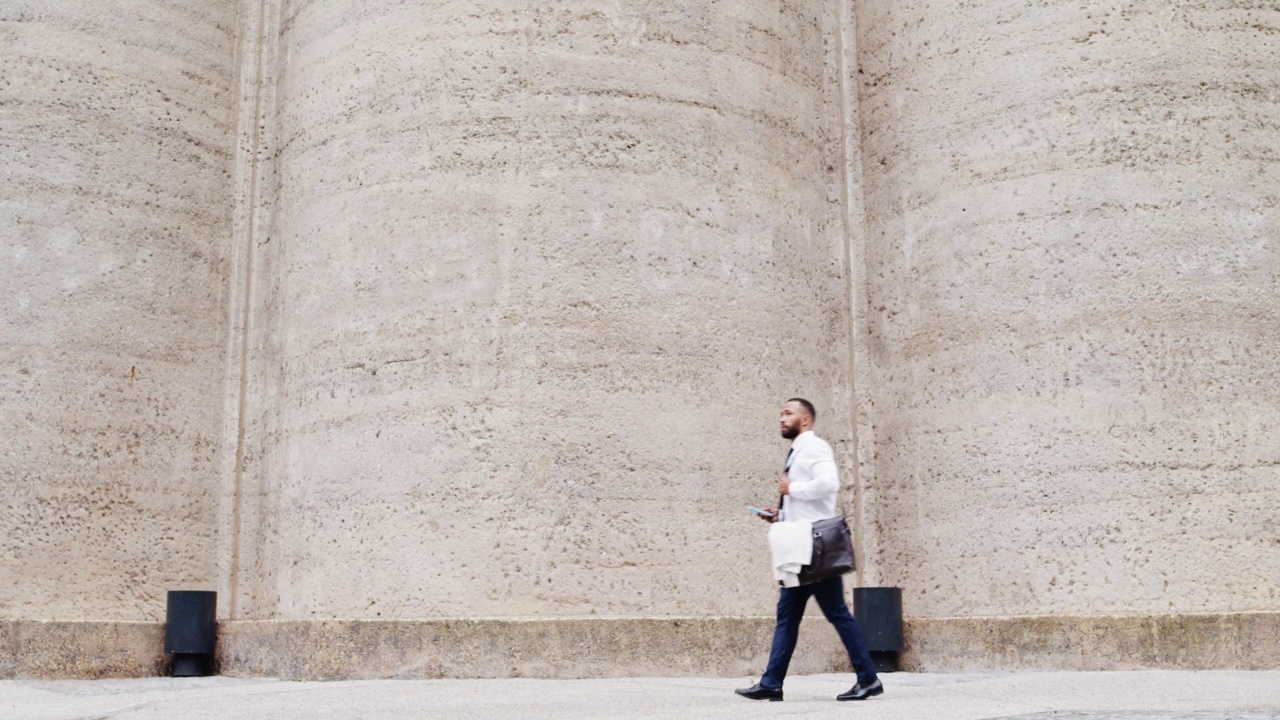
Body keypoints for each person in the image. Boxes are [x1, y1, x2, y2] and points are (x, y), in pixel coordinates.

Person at [734, 398, 883, 702]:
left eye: (788, 413)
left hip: (813, 549)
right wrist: (779, 514)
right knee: (793, 616)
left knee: (833, 614)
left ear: (805, 420)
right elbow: (807, 505)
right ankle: (772, 682)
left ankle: (866, 679)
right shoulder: (798, 450)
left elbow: (830, 484)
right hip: (800, 548)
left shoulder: (814, 447)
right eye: (781, 413)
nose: (782, 418)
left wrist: (793, 490)